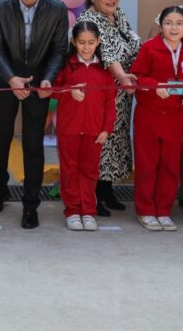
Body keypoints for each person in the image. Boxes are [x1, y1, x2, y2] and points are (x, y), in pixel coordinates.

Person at [0, 0, 68, 229]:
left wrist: (47, 79)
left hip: (38, 83)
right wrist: (11, 78)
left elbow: (59, 50)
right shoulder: (0, 7)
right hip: (5, 80)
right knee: (1, 139)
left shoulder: (57, 8)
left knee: (33, 144)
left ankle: (30, 205)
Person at [77, 0, 141, 216]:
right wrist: (122, 76)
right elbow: (107, 53)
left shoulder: (119, 15)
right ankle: (93, 195)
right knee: (101, 141)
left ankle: (107, 190)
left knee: (115, 141)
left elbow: (135, 42)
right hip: (104, 89)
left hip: (123, 92)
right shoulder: (89, 19)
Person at [52, 21, 116, 232]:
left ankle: (88, 211)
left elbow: (110, 102)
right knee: (69, 171)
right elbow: (53, 91)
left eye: (90, 42)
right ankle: (72, 211)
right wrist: (69, 90)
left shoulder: (104, 71)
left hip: (94, 131)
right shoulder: (67, 67)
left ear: (98, 42)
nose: (86, 47)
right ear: (74, 42)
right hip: (68, 129)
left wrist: (106, 129)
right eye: (81, 43)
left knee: (89, 172)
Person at [130, 6, 183, 231]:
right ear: (161, 26)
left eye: (179, 23)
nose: (174, 27)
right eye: (169, 23)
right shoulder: (149, 48)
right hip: (149, 115)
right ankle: (145, 210)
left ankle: (164, 210)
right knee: (147, 163)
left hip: (176, 116)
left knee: (170, 165)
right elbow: (137, 77)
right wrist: (154, 87)